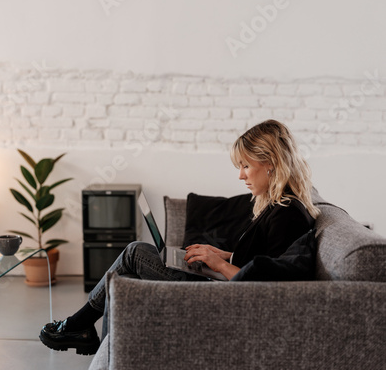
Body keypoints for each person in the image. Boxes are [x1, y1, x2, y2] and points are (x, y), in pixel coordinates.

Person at [39, 119, 320, 355]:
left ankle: (79, 326)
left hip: (222, 299)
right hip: (220, 284)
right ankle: (96, 339)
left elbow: (268, 291)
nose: (240, 176)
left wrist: (220, 265)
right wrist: (225, 256)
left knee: (135, 253)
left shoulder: (287, 214)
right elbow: (265, 262)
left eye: (245, 165)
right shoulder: (279, 206)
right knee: (129, 274)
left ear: (270, 163)